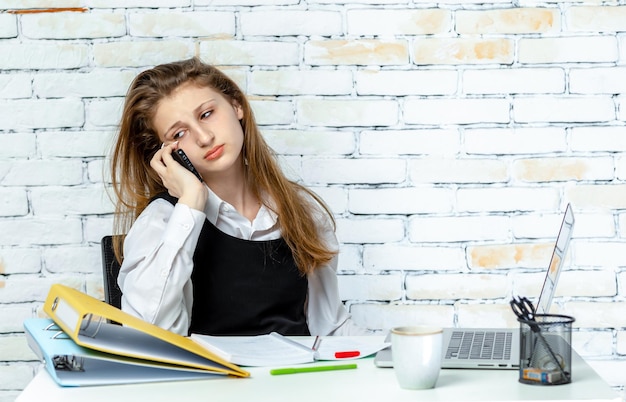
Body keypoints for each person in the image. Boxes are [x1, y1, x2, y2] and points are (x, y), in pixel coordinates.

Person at [109, 57, 368, 337]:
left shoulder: (301, 212)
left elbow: (330, 327)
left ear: (236, 106)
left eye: (206, 114)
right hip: (207, 380)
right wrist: (192, 201)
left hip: (291, 377)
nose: (204, 137)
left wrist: (392, 351)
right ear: (166, 152)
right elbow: (150, 339)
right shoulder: (162, 222)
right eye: (180, 133)